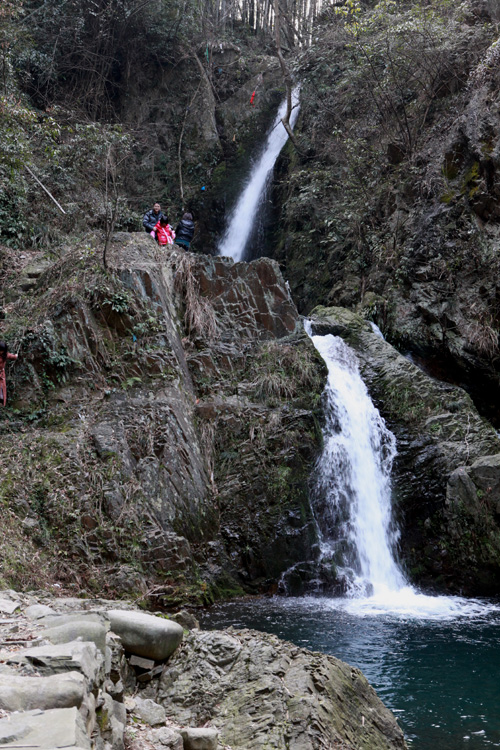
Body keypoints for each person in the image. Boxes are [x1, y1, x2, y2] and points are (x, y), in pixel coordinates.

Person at [0, 341, 18, 407]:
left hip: (1, 374)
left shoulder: (4, 354)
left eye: (2, 350)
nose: (1, 352)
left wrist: (15, 356)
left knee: (2, 388)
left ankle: (2, 404)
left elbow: (11, 356)